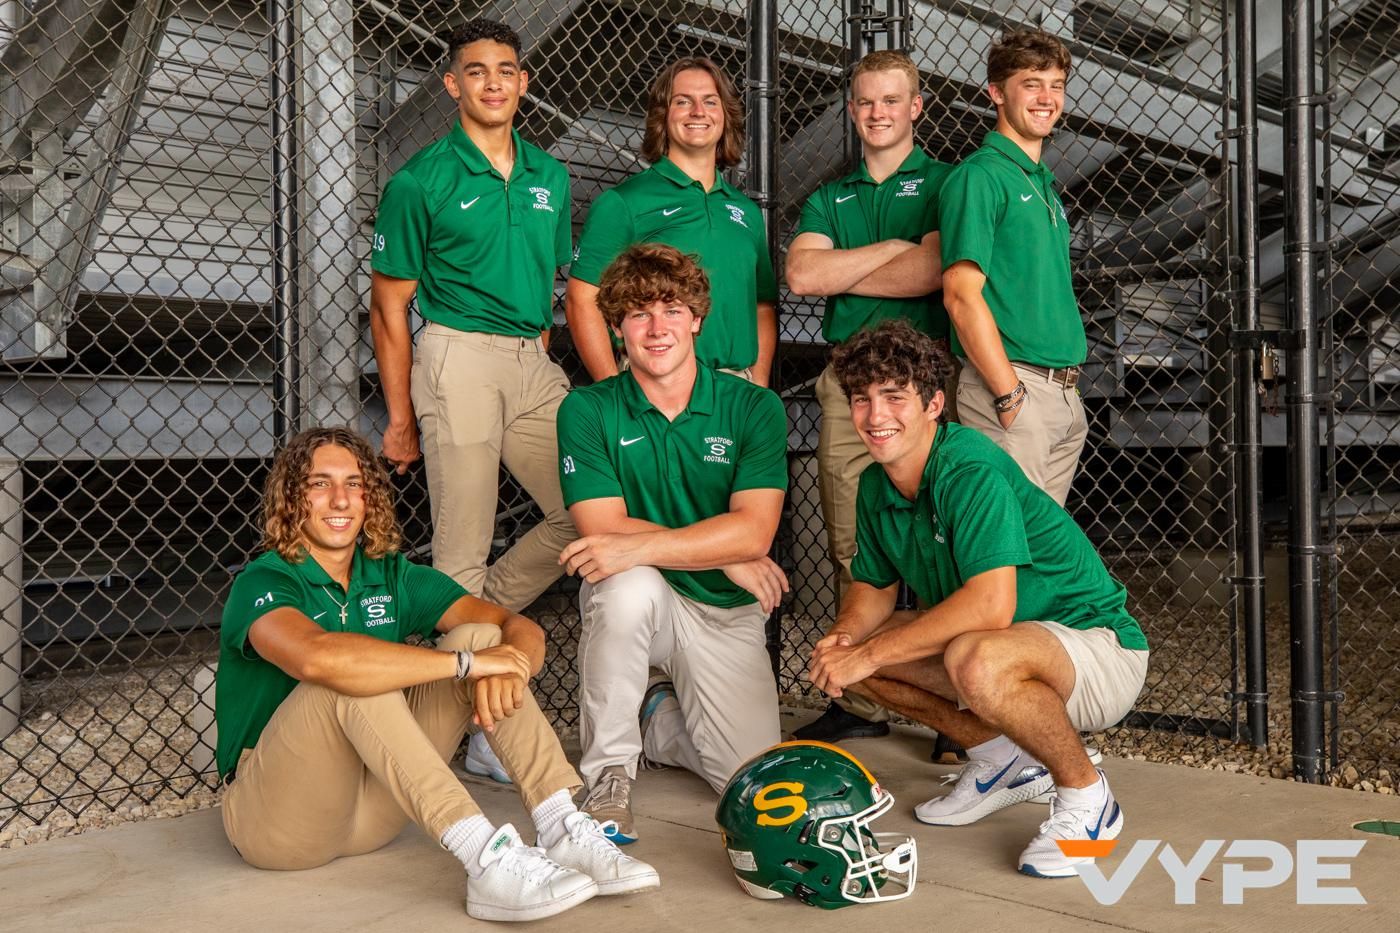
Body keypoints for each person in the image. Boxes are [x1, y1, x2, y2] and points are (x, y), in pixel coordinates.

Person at [215, 428, 657, 921]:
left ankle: (560, 825)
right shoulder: (265, 578)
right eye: (320, 484)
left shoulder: (391, 575)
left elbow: (519, 628)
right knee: (351, 675)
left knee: (482, 636)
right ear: (292, 497)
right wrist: (465, 666)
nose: (340, 499)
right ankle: (483, 857)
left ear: (369, 497)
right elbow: (317, 659)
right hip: (278, 822)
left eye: (354, 484)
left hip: (376, 809)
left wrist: (504, 666)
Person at [806, 322, 1149, 878]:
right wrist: (846, 641)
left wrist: (868, 654)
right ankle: (1002, 762)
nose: (875, 415)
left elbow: (991, 605)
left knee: (970, 655)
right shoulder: (875, 483)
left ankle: (1088, 798)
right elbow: (873, 586)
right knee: (849, 653)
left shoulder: (967, 468)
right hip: (1005, 647)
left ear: (933, 405)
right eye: (862, 399)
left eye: (894, 397)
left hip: (1097, 649)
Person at [556, 244, 789, 844]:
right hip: (651, 600)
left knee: (750, 779)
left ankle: (657, 718)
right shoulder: (587, 409)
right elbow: (601, 526)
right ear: (616, 327)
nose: (657, 328)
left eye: (672, 310)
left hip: (723, 610)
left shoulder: (753, 406)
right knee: (623, 584)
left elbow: (754, 531)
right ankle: (608, 775)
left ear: (697, 319)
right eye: (638, 314)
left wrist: (729, 552)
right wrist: (726, 553)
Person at [368, 18, 575, 614]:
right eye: (476, 72)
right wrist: (400, 419)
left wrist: (535, 349)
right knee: (462, 549)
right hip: (458, 357)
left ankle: (482, 613)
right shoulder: (419, 181)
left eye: (505, 72)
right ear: (453, 84)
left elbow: (545, 279)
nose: (493, 84)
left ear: (523, 83)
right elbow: (387, 307)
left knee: (589, 511)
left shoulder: (550, 176)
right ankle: (463, 657)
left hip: (533, 362)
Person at [785, 49, 952, 745]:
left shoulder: (945, 182)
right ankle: (860, 700)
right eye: (865, 102)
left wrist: (849, 268)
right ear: (852, 111)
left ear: (915, 107)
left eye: (891, 100)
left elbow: (932, 270)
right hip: (847, 384)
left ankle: (957, 706)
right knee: (851, 538)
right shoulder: (830, 196)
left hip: (927, 379)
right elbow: (802, 275)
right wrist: (892, 249)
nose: (877, 113)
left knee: (947, 534)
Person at [939, 28, 1087, 505]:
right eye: (1031, 84)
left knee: (1039, 542)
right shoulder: (980, 176)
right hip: (1013, 392)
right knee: (1005, 539)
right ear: (997, 93)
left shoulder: (1042, 182)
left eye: (1056, 85)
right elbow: (961, 295)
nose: (1047, 98)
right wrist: (1008, 395)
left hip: (1063, 394)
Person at [566, 57, 779, 386]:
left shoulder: (746, 211)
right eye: (683, 101)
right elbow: (581, 300)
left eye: (710, 101)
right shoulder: (624, 202)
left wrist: (758, 383)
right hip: (656, 383)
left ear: (726, 115)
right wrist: (615, 389)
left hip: (737, 388)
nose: (698, 111)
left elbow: (762, 306)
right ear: (662, 116)